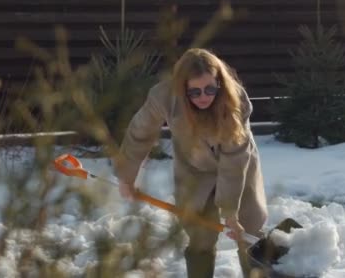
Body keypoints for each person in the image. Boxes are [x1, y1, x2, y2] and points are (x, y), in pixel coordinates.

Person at [114, 48, 268, 277]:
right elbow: (140, 132)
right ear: (182, 88)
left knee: (249, 228)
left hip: (239, 167)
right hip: (193, 169)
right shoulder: (163, 96)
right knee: (199, 235)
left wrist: (230, 213)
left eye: (210, 89)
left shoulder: (235, 100)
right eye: (194, 92)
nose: (203, 96)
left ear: (219, 82)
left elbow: (233, 160)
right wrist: (126, 176)